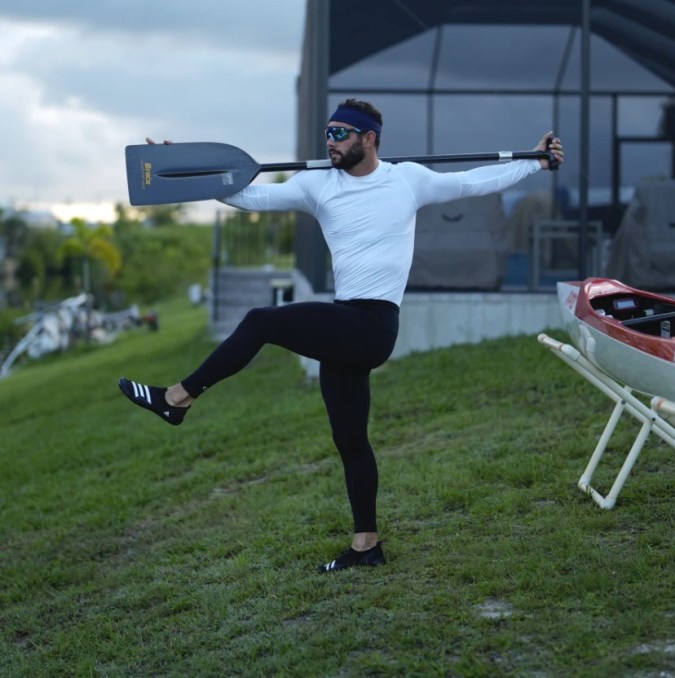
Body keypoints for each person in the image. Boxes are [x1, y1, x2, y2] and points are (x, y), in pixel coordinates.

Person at [118, 98, 565, 573]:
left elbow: (472, 182)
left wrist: (533, 162)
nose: (329, 142)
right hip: (343, 322)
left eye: (340, 134)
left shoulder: (406, 180)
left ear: (369, 139)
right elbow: (250, 197)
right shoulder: (317, 186)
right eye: (327, 133)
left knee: (260, 321)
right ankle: (366, 546)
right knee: (350, 440)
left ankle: (177, 398)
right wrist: (188, 174)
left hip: (373, 326)